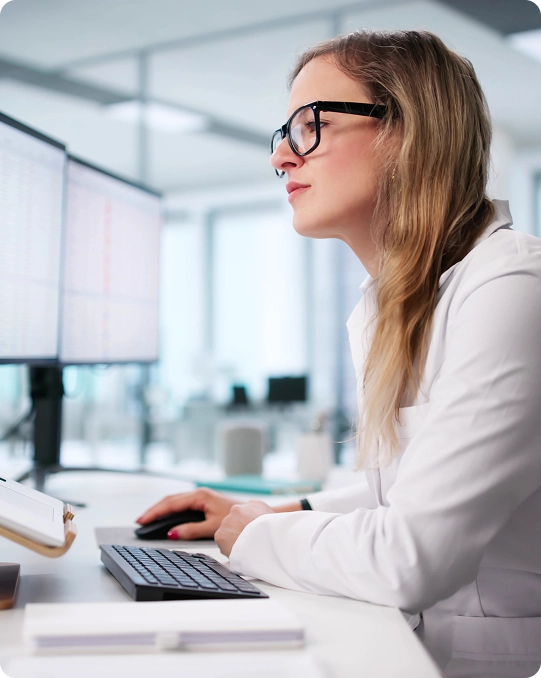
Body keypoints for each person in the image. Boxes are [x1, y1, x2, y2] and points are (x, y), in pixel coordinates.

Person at [137, 30, 541, 676]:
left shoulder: (512, 290)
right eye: (282, 133)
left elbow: (411, 554)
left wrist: (257, 535)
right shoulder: (394, 301)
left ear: (406, 130)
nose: (279, 157)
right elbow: (407, 495)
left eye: (307, 126)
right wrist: (284, 511)